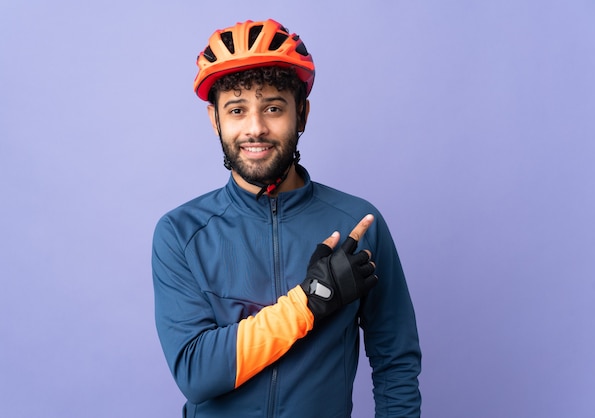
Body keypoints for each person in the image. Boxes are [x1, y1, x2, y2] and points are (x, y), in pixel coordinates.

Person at [152, 18, 422, 417]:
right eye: (237, 110)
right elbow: (197, 373)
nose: (255, 128)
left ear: (303, 115)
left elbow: (395, 361)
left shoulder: (359, 224)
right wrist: (310, 301)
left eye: (273, 108)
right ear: (215, 121)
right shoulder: (181, 233)